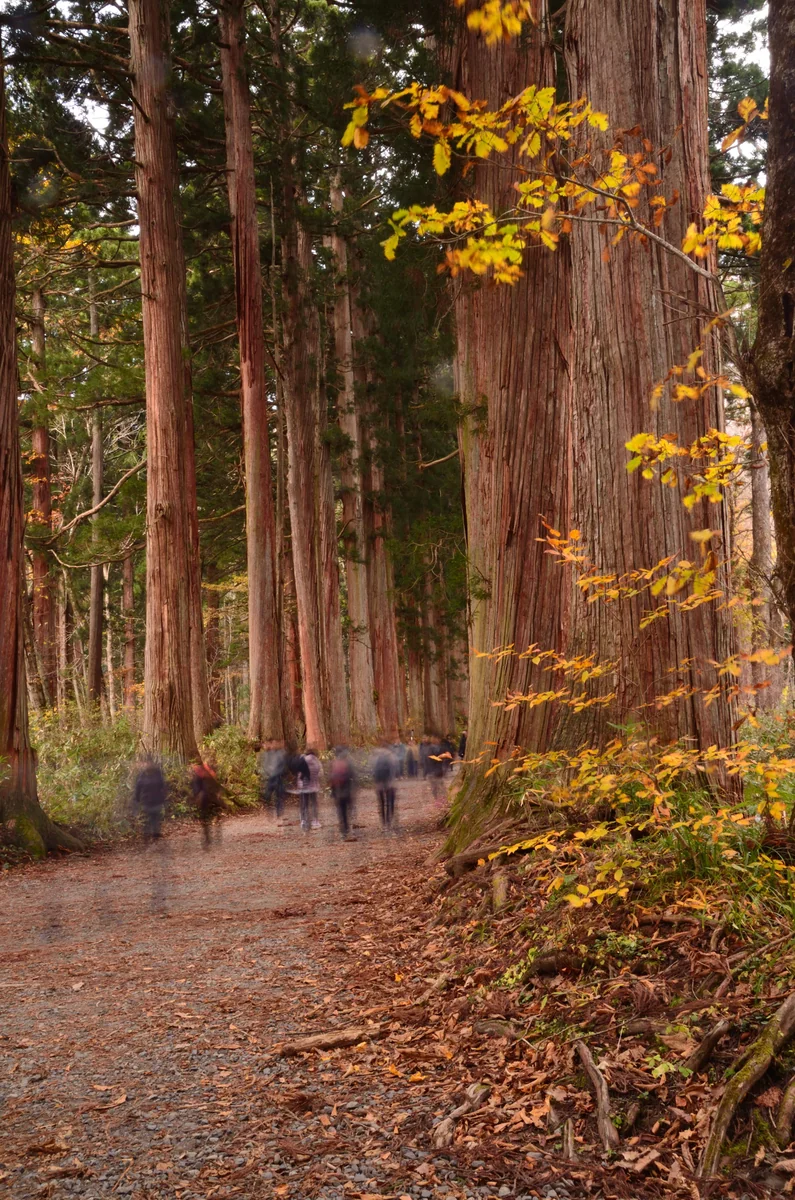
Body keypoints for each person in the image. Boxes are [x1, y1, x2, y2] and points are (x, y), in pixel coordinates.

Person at [191, 757, 224, 849]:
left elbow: (217, 785)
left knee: (215, 816)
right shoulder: (198, 775)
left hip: (212, 799)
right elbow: (196, 788)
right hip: (204, 800)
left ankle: (216, 835)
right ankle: (207, 839)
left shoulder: (210, 772)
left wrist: (218, 793)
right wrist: (198, 795)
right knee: (205, 821)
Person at [133, 755, 168, 842]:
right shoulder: (142, 775)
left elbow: (163, 785)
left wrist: (164, 797)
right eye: (147, 763)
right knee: (147, 818)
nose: (148, 765)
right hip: (146, 800)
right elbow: (138, 787)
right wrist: (137, 799)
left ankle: (155, 834)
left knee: (156, 817)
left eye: (150, 763)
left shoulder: (157, 773)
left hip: (157, 799)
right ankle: (146, 835)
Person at [329, 747, 356, 840]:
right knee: (349, 810)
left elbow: (331, 779)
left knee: (341, 812)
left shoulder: (334, 764)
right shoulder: (348, 763)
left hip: (338, 792)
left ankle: (343, 831)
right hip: (347, 791)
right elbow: (353, 776)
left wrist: (333, 792)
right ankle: (349, 829)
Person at [259, 739, 287, 823]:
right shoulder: (265, 754)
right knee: (267, 797)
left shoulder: (280, 753)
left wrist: (276, 773)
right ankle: (270, 813)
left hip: (277, 778)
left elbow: (282, 766)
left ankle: (279, 814)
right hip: (269, 778)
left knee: (279, 797)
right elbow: (265, 766)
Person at [372, 742, 397, 830]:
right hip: (389, 784)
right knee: (390, 803)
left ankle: (383, 823)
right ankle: (389, 822)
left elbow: (372, 770)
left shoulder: (376, 756)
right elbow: (394, 770)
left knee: (382, 804)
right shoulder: (391, 756)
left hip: (379, 784)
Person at [286, 751, 311, 831]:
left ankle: (303, 819)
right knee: (305, 803)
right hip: (305, 787)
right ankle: (304, 820)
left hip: (302, 786)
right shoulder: (304, 764)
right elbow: (307, 775)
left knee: (303, 803)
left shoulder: (297, 766)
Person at [304, 747, 322, 830]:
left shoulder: (304, 760)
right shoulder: (317, 760)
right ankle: (315, 821)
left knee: (306, 804)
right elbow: (321, 773)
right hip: (314, 786)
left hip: (305, 786)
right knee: (314, 804)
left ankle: (306, 822)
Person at [425, 737, 445, 804]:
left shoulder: (441, 748)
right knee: (435, 787)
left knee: (440, 786)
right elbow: (429, 760)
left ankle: (441, 800)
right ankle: (437, 800)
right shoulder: (430, 749)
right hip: (433, 771)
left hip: (439, 770)